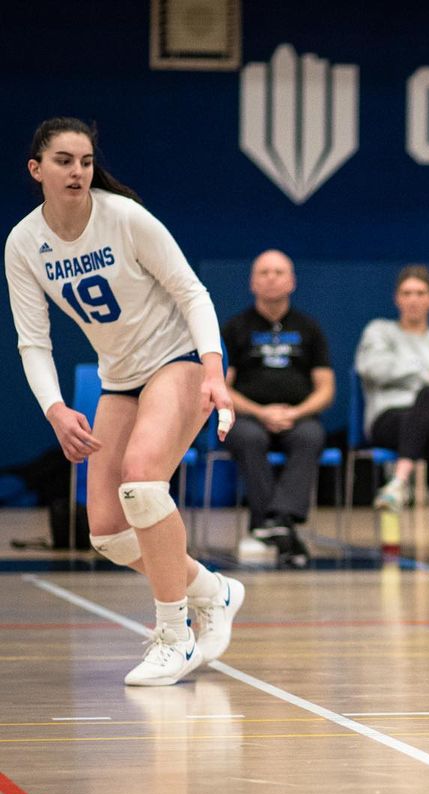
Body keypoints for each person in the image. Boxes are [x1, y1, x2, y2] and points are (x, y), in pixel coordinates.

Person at [4, 117, 243, 686]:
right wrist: (56, 409)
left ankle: (174, 634)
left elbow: (192, 290)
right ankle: (214, 590)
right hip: (120, 378)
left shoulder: (124, 217)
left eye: (85, 161)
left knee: (142, 481)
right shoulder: (22, 243)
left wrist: (213, 370)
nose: (78, 172)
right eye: (64, 161)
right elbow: (33, 340)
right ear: (36, 169)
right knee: (109, 533)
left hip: (179, 360)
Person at [221, 249, 335, 567]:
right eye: (264, 273)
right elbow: (222, 387)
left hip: (296, 417)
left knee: (311, 436)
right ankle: (279, 525)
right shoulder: (235, 329)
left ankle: (271, 523)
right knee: (248, 438)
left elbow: (326, 388)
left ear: (292, 281)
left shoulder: (309, 329)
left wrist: (295, 413)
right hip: (247, 417)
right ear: (252, 283)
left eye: (279, 272)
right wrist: (261, 412)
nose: (271, 278)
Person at [354, 265, 429, 559]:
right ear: (396, 299)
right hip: (386, 419)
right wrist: (425, 374)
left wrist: (409, 375)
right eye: (407, 293)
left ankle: (399, 483)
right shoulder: (379, 331)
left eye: (420, 293)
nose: (413, 299)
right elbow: (372, 369)